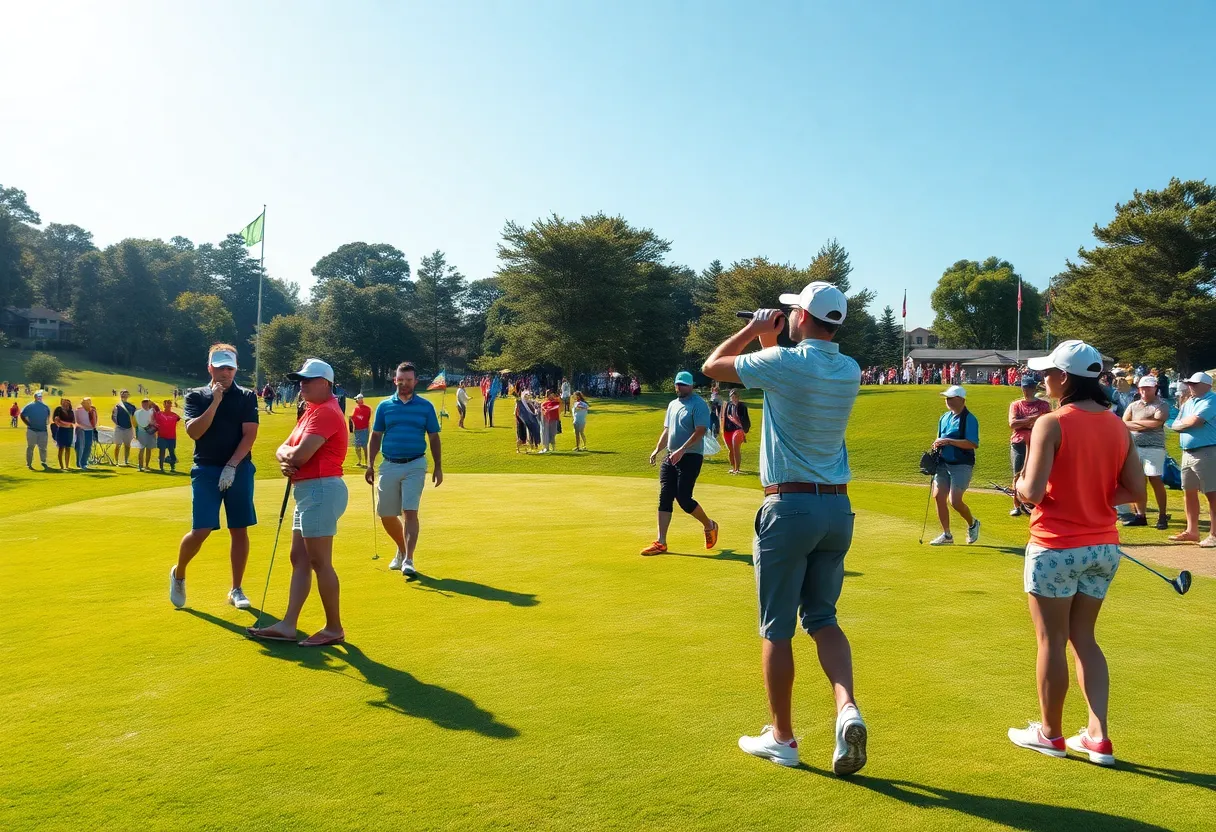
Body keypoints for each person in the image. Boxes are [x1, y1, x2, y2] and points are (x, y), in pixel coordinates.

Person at [701, 281, 867, 774]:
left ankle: (782, 738)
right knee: (823, 618)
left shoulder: (784, 363)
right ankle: (847, 708)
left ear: (804, 317)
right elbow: (779, 372)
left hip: (788, 506)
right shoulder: (849, 369)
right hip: (836, 509)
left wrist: (752, 329)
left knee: (777, 627)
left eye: (794, 311)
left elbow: (713, 366)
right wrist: (770, 338)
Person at [1008, 340, 1145, 766]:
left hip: (1055, 545)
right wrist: (1093, 499)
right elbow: (1135, 491)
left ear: (1064, 377)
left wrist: (1019, 488)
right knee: (1084, 637)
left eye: (1048, 373)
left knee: (1051, 640)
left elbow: (1032, 492)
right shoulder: (1118, 425)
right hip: (1103, 546)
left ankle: (1051, 734)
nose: (1043, 380)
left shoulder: (1051, 423)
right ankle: (1098, 738)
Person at [248, 359, 350, 647]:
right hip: (308, 491)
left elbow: (299, 456)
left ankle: (334, 628)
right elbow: (283, 449)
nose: (301, 384)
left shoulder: (326, 411)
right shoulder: (310, 411)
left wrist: (289, 457)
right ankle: (288, 625)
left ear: (326, 383)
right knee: (300, 558)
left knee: (319, 561)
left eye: (308, 379)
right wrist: (286, 457)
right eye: (300, 380)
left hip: (321, 489)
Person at [169, 344, 260, 611]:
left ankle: (236, 589)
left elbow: (250, 434)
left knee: (239, 529)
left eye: (230, 368)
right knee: (202, 529)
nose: (225, 373)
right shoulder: (196, 396)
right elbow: (195, 432)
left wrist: (232, 465)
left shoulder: (246, 396)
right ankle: (179, 573)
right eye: (220, 367)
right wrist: (216, 401)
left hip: (239, 468)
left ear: (236, 369)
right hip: (206, 469)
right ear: (210, 368)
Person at [366, 361, 442, 577]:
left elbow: (434, 437)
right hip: (389, 464)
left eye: (409, 380)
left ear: (415, 381)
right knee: (386, 514)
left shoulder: (425, 407)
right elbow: (376, 436)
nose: (404, 383)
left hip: (415, 464)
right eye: (401, 379)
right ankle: (401, 548)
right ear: (395, 380)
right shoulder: (384, 406)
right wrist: (370, 464)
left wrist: (438, 466)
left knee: (410, 512)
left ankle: (409, 559)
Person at [640, 371, 718, 556]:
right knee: (665, 495)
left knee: (684, 498)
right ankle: (661, 542)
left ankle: (709, 525)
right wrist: (657, 449)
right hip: (670, 456)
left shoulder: (698, 404)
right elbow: (667, 430)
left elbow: (700, 431)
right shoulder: (672, 404)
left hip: (691, 456)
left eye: (683, 384)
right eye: (678, 384)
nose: (680, 387)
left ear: (691, 386)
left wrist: (682, 449)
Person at [928, 385, 981, 545]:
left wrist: (949, 441)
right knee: (938, 496)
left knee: (955, 501)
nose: (947, 401)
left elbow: (972, 443)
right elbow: (939, 438)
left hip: (962, 464)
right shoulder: (944, 417)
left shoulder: (969, 419)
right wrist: (936, 445)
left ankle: (973, 523)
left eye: (951, 398)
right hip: (943, 463)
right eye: (947, 398)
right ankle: (947, 535)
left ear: (961, 400)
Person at [1168, 371, 1216, 547]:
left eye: (1194, 384)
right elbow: (1175, 423)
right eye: (1189, 384)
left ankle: (1214, 534)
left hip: (1208, 451)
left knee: (1212, 493)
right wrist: (1183, 424)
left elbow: (1195, 421)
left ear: (1206, 385)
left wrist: (1183, 425)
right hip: (1188, 452)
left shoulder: (1212, 400)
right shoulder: (1188, 402)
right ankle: (1192, 531)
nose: (1190, 386)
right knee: (1188, 491)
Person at [1123, 375, 1171, 529]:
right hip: (1135, 447)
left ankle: (1162, 515)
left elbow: (1156, 423)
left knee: (1154, 479)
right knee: (1138, 481)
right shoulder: (1133, 405)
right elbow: (1124, 423)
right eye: (1142, 388)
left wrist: (1134, 424)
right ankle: (1140, 515)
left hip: (1154, 447)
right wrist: (1145, 423)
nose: (1145, 391)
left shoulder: (1162, 404)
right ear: (1139, 389)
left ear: (1155, 388)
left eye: (1148, 388)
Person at [1008, 376, 1051, 516]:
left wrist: (1024, 421)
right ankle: (1017, 504)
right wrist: (1034, 418)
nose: (1027, 390)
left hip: (1037, 442)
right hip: (1019, 442)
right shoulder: (1016, 405)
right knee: (1018, 473)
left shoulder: (1043, 405)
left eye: (1030, 388)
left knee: (1039, 473)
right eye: (1025, 388)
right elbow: (1013, 424)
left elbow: (1047, 422)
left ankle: (1035, 503)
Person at [723, 389, 751, 475]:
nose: (734, 398)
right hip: (729, 429)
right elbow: (725, 417)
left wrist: (743, 429)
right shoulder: (728, 405)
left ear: (738, 397)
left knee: (736, 448)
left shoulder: (742, 406)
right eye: (732, 397)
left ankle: (737, 469)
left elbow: (745, 420)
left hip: (739, 429)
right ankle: (733, 468)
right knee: (731, 450)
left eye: (735, 397)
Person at [21, 390, 51, 470]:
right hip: (32, 430)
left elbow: (48, 416)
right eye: (38, 396)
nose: (40, 398)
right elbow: (22, 415)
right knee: (30, 447)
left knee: (43, 448)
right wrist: (27, 423)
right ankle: (29, 463)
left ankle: (43, 462)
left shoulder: (45, 407)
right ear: (35, 397)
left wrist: (47, 422)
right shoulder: (30, 406)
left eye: (40, 396)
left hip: (43, 431)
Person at [111, 390, 137, 466]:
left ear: (128, 396)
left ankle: (126, 461)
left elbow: (134, 417)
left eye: (126, 395)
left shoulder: (132, 407)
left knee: (127, 445)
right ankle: (116, 461)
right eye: (123, 395)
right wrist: (118, 424)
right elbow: (113, 417)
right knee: (118, 445)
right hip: (119, 428)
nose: (124, 396)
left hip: (129, 428)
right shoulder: (117, 406)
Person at [155, 398, 181, 473]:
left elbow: (179, 418)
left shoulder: (174, 415)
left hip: (171, 437)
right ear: (164, 405)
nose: (168, 406)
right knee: (162, 452)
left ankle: (172, 467)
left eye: (169, 404)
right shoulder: (159, 414)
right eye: (167, 404)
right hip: (162, 436)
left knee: (171, 452)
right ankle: (161, 468)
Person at [134, 397, 158, 472]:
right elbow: (137, 424)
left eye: (147, 402)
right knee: (141, 449)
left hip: (150, 433)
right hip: (142, 433)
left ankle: (146, 465)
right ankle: (140, 466)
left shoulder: (152, 411)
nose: (145, 404)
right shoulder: (138, 412)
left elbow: (155, 420)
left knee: (148, 449)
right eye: (144, 402)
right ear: (141, 404)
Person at [74, 397, 97, 470]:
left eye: (89, 403)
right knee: (80, 447)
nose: (87, 404)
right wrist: (81, 427)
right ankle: (79, 463)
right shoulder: (78, 410)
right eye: (85, 403)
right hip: (81, 430)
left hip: (89, 430)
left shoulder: (92, 410)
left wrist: (93, 428)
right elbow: (76, 421)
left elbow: (94, 420)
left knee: (88, 447)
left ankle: (84, 463)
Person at [52, 397, 75, 470]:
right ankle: (62, 466)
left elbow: (73, 422)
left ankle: (67, 466)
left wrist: (64, 423)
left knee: (68, 448)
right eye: (63, 402)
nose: (65, 403)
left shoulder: (71, 412)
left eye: (67, 402)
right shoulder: (58, 410)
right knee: (61, 448)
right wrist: (67, 424)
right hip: (61, 431)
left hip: (69, 431)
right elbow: (57, 421)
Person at [349, 393, 372, 467]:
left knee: (364, 447)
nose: (357, 400)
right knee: (357, 447)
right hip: (357, 430)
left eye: (359, 399)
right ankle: (359, 461)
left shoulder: (367, 408)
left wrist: (356, 417)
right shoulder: (355, 409)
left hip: (364, 430)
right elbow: (353, 418)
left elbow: (365, 418)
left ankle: (366, 462)